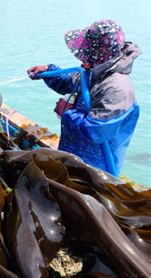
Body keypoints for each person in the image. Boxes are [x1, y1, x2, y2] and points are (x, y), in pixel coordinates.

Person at [27, 19, 140, 174]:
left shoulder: (117, 89)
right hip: (74, 156)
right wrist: (48, 71)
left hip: (97, 169)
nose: (82, 57)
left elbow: (96, 131)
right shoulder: (97, 71)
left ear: (98, 53)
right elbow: (72, 81)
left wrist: (66, 112)